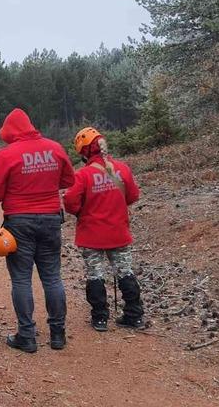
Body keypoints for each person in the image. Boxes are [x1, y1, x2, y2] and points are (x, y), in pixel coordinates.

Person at [0, 108, 75, 353]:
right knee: (53, 277)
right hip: (50, 220)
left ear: (10, 131)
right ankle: (58, 334)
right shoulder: (55, 148)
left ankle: (26, 335)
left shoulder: (6, 154)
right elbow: (69, 180)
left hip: (18, 222)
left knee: (21, 279)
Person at [63, 127, 143, 332]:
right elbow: (133, 196)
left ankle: (100, 318)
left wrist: (82, 211)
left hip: (91, 235)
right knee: (125, 272)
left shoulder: (83, 175)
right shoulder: (122, 169)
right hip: (119, 231)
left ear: (84, 151)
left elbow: (70, 202)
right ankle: (134, 315)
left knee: (95, 275)